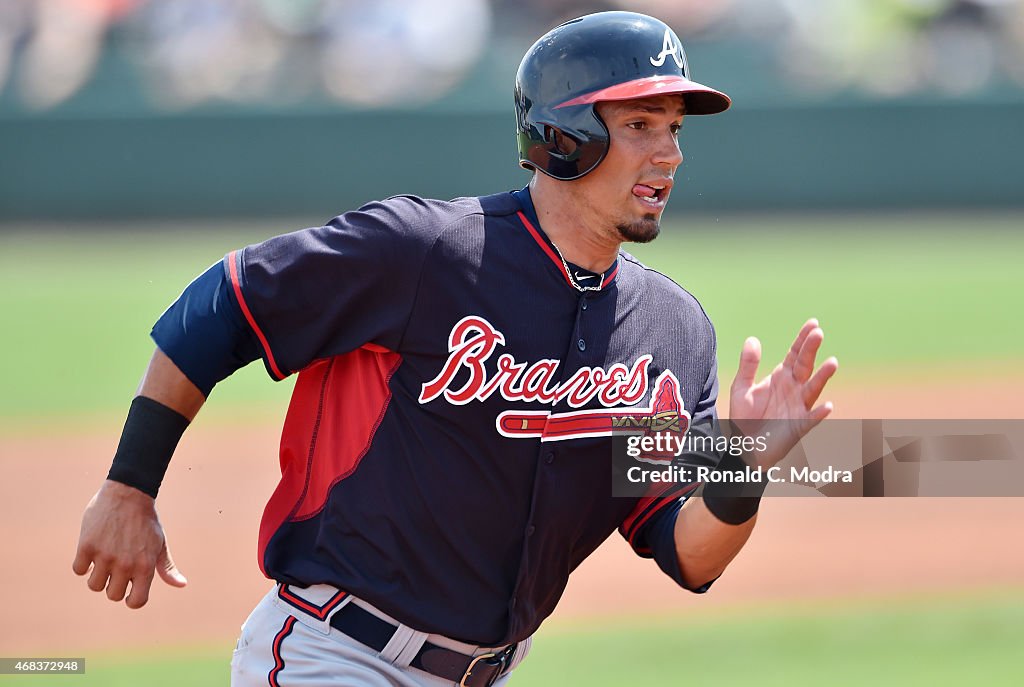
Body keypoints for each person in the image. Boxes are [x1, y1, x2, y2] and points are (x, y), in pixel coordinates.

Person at [74, 11, 837, 687]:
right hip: (337, 656)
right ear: (564, 138)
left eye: (675, 127)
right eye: (640, 125)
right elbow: (223, 305)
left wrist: (743, 465)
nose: (669, 153)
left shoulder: (671, 332)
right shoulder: (426, 252)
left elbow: (688, 552)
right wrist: (128, 487)